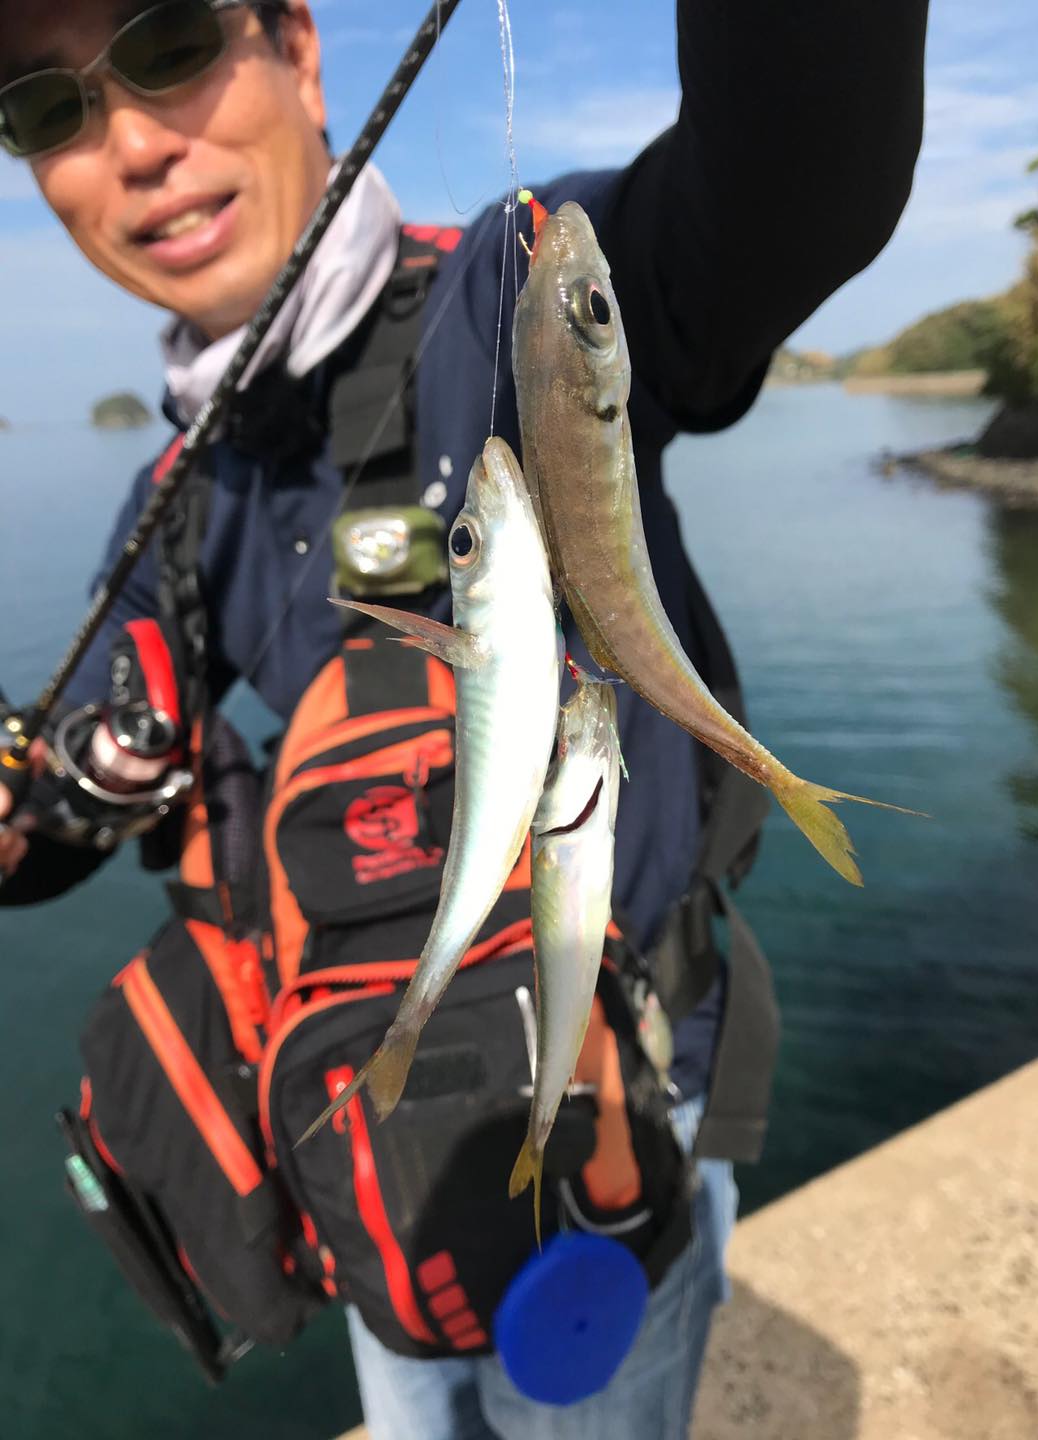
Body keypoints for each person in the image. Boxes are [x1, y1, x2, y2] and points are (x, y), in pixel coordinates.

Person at [0, 2, 929, 1435]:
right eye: (43, 111)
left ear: (299, 47)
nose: (131, 145)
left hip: (616, 1151)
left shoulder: (521, 294)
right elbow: (61, 803)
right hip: (369, 1176)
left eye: (171, 43)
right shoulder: (174, 502)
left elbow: (802, 179)